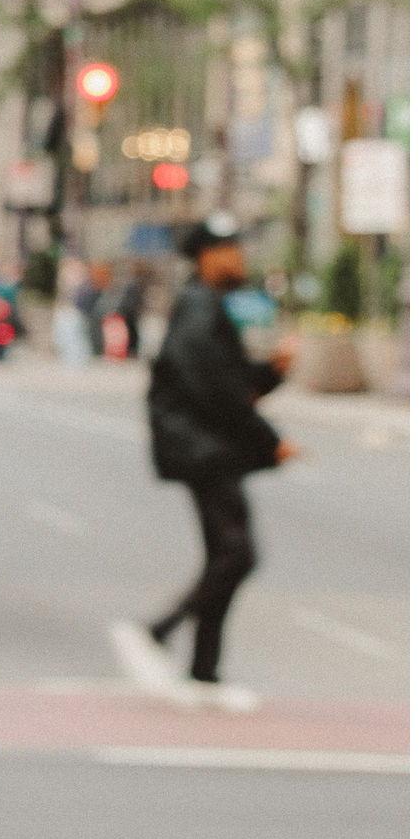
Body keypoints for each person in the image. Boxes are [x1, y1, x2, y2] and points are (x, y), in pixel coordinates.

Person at [134, 210, 295, 700]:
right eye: (231, 250)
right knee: (236, 554)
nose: (239, 258)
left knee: (226, 555)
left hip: (206, 448)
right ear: (208, 257)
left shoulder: (204, 307)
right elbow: (218, 391)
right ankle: (167, 628)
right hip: (205, 450)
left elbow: (230, 382)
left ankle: (204, 664)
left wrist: (270, 373)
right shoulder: (200, 308)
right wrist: (270, 441)